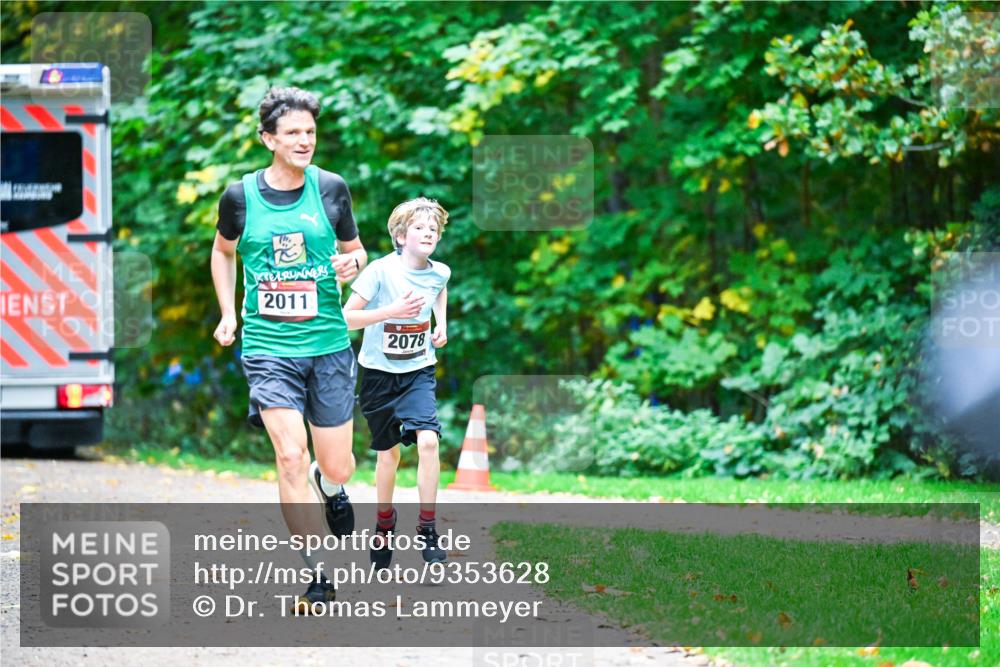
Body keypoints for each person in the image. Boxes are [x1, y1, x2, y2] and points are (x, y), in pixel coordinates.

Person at [210, 86, 365, 611]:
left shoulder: (331, 189)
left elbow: (355, 252)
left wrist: (353, 265)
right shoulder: (239, 198)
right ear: (268, 139)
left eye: (310, 132)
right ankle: (317, 572)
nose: (304, 141)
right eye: (293, 133)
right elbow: (222, 252)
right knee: (289, 455)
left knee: (335, 465)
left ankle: (333, 484)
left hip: (327, 344)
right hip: (269, 346)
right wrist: (230, 312)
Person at [342, 197, 450, 568]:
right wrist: (390, 312)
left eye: (433, 229)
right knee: (389, 454)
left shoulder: (440, 272)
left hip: (418, 371)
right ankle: (384, 522)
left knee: (429, 441)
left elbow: (439, 291)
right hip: (378, 374)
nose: (428, 234)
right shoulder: (379, 271)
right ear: (401, 236)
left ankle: (428, 528)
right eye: (420, 228)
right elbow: (346, 319)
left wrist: (442, 325)